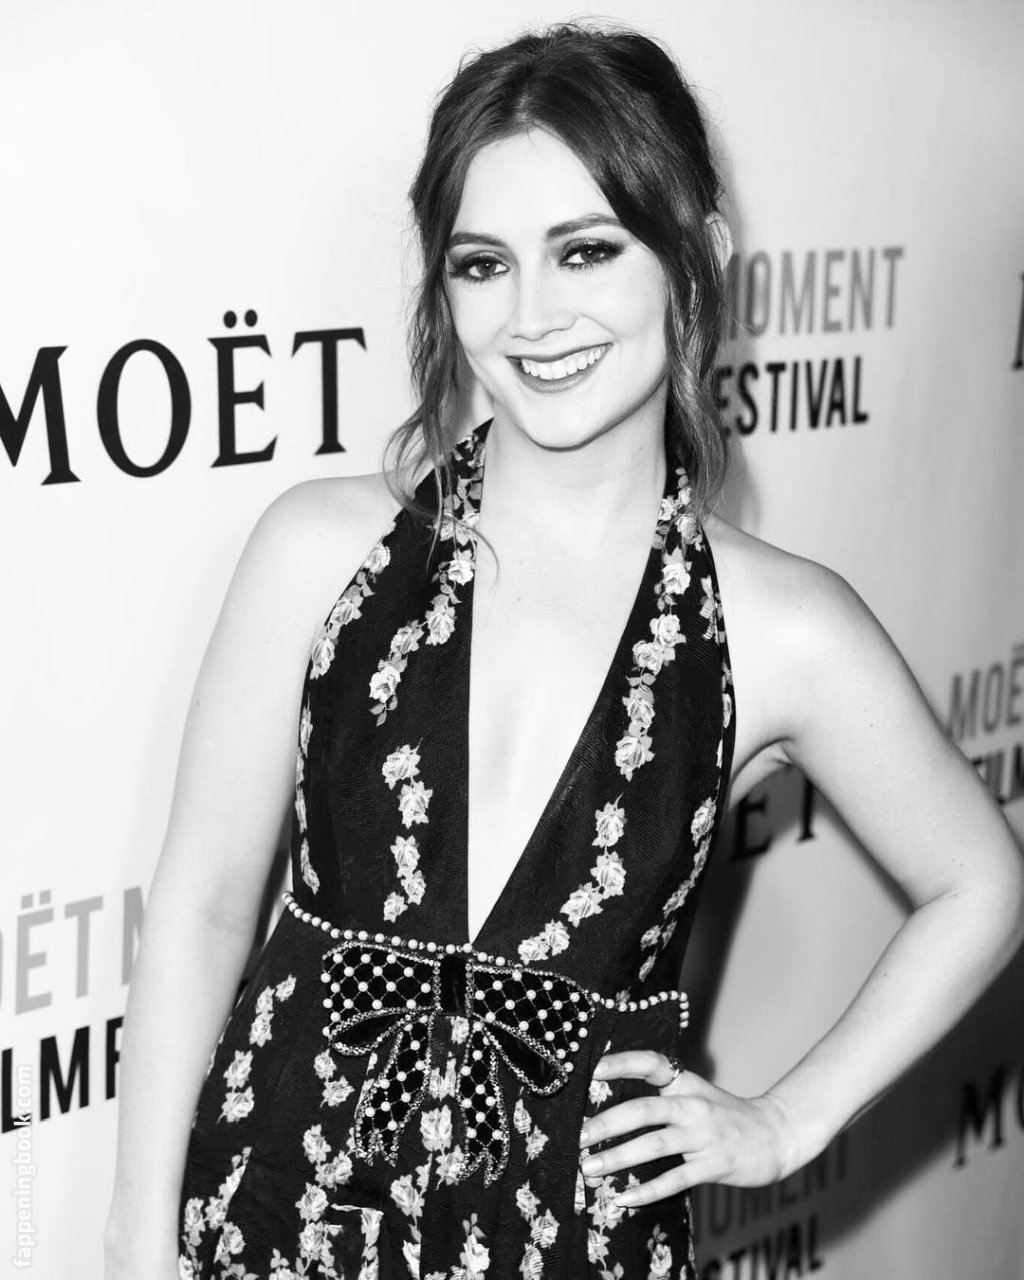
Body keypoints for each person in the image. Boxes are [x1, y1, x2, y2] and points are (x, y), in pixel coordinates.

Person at [104, 21, 1024, 1280]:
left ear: (696, 253)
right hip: (276, 1217)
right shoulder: (319, 550)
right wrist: (135, 1238)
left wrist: (785, 1121)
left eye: (585, 250)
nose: (533, 318)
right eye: (484, 264)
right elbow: (206, 903)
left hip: (574, 1241)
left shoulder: (779, 626)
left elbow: (981, 882)